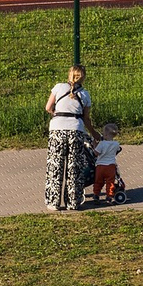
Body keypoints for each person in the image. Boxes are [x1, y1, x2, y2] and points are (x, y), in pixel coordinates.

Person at [43, 64, 95, 212]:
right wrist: (94, 133)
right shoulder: (85, 94)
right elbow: (86, 118)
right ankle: (73, 202)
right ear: (83, 77)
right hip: (76, 130)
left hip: (57, 130)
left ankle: (53, 202)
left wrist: (57, 115)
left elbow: (48, 107)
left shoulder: (58, 87)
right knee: (75, 167)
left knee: (55, 165)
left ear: (69, 74)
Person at [89, 122, 124, 203]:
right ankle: (109, 195)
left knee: (98, 181)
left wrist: (95, 145)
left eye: (104, 134)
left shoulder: (101, 144)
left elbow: (96, 153)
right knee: (110, 182)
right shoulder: (116, 144)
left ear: (107, 135)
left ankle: (96, 194)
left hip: (100, 166)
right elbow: (118, 150)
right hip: (111, 166)